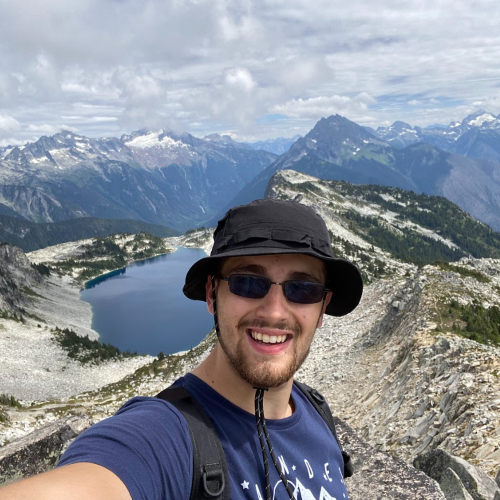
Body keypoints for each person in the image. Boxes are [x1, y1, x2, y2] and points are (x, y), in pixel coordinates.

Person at [0, 199, 363, 500]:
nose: (274, 311)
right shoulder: (164, 435)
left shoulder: (317, 412)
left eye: (303, 289)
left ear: (321, 308)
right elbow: (103, 475)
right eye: (247, 282)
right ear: (211, 294)